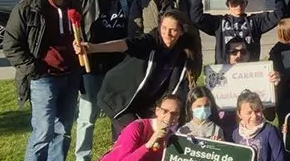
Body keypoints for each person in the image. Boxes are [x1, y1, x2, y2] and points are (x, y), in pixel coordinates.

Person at [3, 0, 83, 161]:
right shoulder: (28, 7)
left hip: (70, 77)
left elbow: (81, 37)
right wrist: (35, 70)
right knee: (42, 134)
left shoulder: (75, 4)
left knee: (63, 131)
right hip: (43, 79)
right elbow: (11, 45)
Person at [79, 10, 201, 139]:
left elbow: (179, 88)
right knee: (139, 134)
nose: (167, 33)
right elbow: (124, 44)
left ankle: (118, 154)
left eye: (173, 30)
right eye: (164, 28)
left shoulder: (182, 54)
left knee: (130, 139)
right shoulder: (150, 41)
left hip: (146, 103)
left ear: (181, 32)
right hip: (118, 97)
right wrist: (93, 48)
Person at [73, 0, 135, 161]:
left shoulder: (126, 0)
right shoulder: (82, 0)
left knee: (118, 115)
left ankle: (117, 154)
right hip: (92, 68)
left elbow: (133, 32)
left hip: (119, 68)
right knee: (88, 115)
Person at [191, 0, 284, 64]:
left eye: (242, 2)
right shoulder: (219, 22)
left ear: (246, 3)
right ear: (228, 4)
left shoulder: (256, 21)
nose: (238, 6)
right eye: (234, 3)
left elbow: (278, 15)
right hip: (225, 70)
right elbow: (197, 18)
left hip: (250, 71)